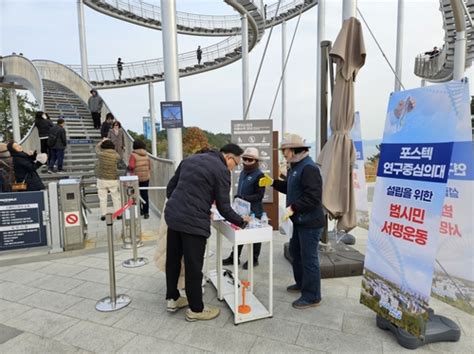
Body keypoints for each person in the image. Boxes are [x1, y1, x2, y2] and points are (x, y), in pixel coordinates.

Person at [165, 143, 250, 321]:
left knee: (173, 260)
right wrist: (242, 221)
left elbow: (170, 188)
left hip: (173, 216)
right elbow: (224, 207)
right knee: (193, 266)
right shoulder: (221, 170)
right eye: (236, 163)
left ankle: (172, 299)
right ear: (228, 158)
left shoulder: (189, 159)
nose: (235, 168)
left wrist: (185, 205)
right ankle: (196, 309)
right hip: (193, 223)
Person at [259, 134, 324, 309]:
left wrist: (293, 208)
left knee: (309, 258)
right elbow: (290, 188)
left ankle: (312, 296)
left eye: (284, 150)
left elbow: (313, 197)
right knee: (296, 252)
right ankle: (302, 284)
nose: (283, 154)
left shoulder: (309, 168)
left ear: (293, 149)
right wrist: (272, 182)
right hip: (300, 221)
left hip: (310, 222)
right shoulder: (295, 166)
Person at [222, 147, 265, 269]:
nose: (246, 162)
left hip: (254, 212)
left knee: (255, 237)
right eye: (244, 159)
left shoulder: (260, 176)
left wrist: (244, 197)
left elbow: (259, 195)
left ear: (256, 161)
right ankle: (234, 257)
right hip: (241, 210)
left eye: (250, 160)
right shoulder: (242, 173)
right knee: (239, 233)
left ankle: (254, 259)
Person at [95, 139, 121, 221]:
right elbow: (118, 158)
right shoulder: (116, 156)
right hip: (112, 179)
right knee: (116, 197)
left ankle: (103, 214)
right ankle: (118, 214)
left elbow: (96, 148)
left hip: (101, 179)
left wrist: (101, 142)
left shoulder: (101, 154)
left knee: (102, 198)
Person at [128, 139, 151, 219]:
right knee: (145, 195)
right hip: (145, 177)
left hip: (136, 178)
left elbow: (131, 166)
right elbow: (149, 166)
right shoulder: (146, 155)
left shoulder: (133, 155)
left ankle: (139, 210)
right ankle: (146, 213)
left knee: (135, 194)